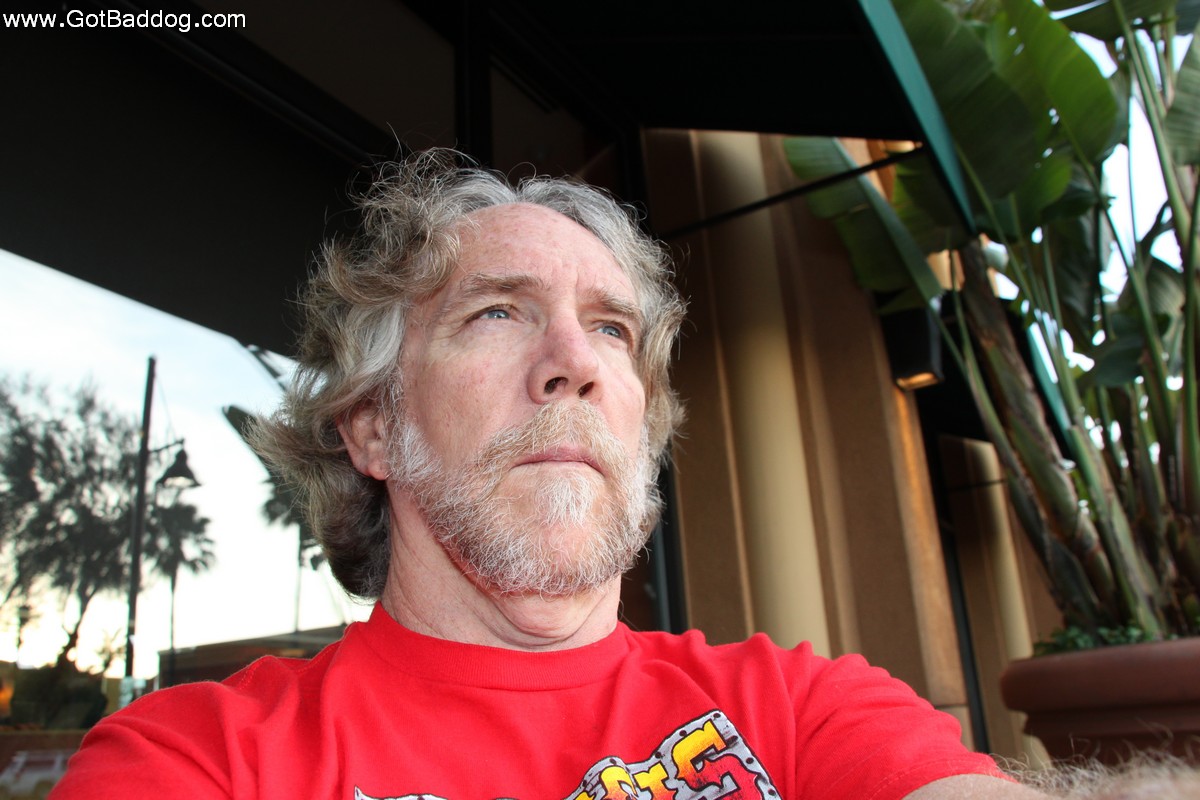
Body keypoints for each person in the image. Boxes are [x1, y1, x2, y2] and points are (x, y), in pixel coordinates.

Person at [49, 149, 1049, 799]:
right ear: (374, 428)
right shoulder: (198, 760)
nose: (575, 361)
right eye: (497, 311)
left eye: (611, 328)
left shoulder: (802, 709)